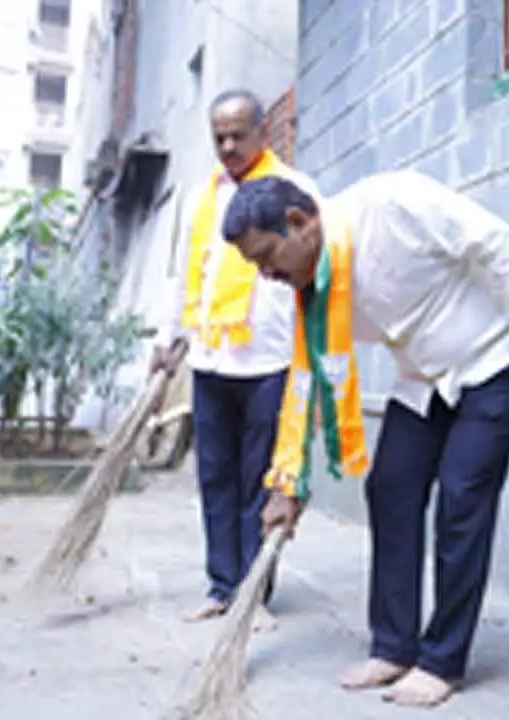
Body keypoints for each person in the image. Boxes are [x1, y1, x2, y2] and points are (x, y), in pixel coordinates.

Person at [221, 172, 509, 707]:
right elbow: (305, 380)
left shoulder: (392, 204)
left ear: (300, 223)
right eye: (255, 266)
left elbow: (497, 243)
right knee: (390, 488)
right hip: (423, 379)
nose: (266, 274)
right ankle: (392, 647)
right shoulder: (309, 287)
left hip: (495, 359)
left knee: (462, 496)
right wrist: (286, 481)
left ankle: (443, 661)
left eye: (267, 256)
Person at [149, 89, 321, 631]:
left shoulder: (297, 190)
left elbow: (311, 273)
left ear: (261, 134)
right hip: (211, 359)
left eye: (237, 135)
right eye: (218, 137)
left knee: (258, 480)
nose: (226, 146)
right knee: (215, 477)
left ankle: (255, 593)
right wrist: (166, 337)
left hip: (270, 361)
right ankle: (221, 585)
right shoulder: (201, 197)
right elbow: (184, 271)